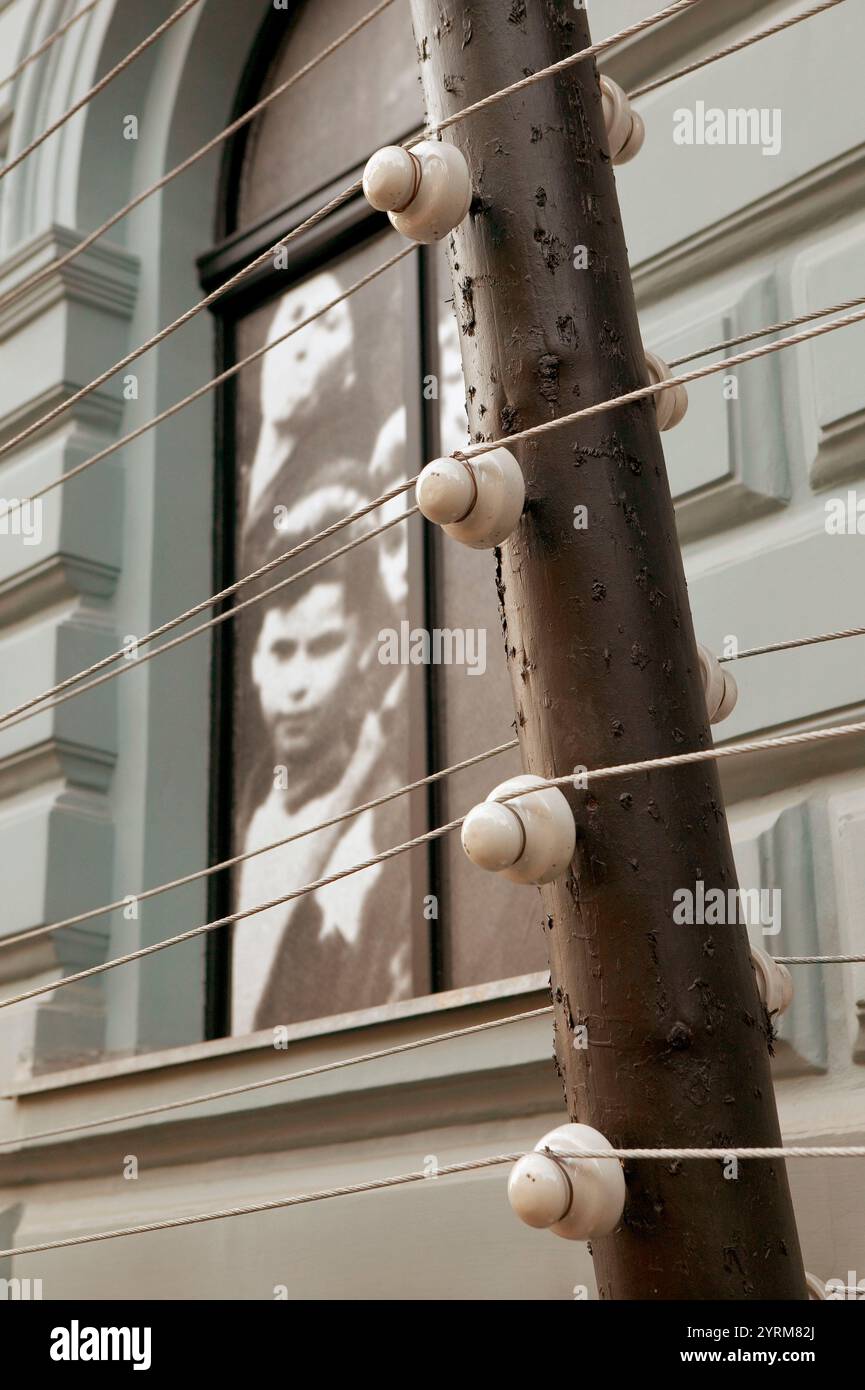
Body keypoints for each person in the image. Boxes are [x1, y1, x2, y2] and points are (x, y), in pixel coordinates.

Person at [231, 462, 411, 1034]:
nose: (299, 683)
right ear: (257, 660)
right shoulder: (233, 819)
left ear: (362, 654)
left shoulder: (393, 823)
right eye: (283, 651)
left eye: (324, 647)